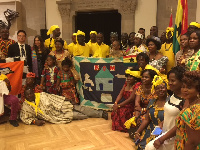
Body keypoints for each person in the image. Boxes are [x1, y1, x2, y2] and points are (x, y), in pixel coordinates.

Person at [145, 66, 186, 150]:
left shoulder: (185, 101)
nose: (170, 83)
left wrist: (162, 139)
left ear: (182, 82)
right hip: (165, 135)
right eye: (169, 80)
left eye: (173, 81)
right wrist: (161, 124)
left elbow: (180, 125)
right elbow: (170, 116)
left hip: (175, 138)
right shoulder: (173, 95)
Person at [20, 88, 108, 125]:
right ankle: (95, 113)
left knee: (80, 108)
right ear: (25, 96)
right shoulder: (26, 106)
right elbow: (25, 118)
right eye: (27, 94)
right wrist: (35, 122)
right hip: (55, 116)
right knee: (78, 115)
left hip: (60, 105)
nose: (30, 95)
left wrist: (67, 100)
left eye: (31, 93)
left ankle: (101, 113)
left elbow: (54, 98)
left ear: (33, 92)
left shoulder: (42, 95)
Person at [134, 75, 169, 149]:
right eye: (157, 88)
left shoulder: (170, 102)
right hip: (150, 131)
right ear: (154, 90)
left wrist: (156, 135)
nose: (160, 90)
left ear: (166, 88)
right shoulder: (152, 101)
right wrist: (137, 132)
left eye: (162, 87)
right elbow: (147, 119)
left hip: (165, 132)